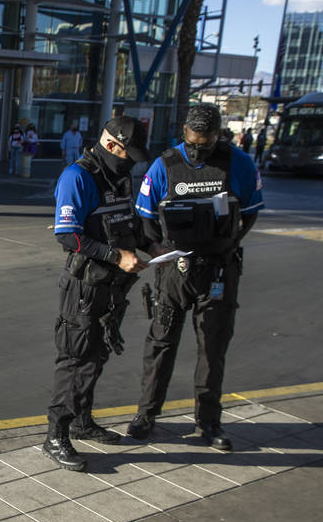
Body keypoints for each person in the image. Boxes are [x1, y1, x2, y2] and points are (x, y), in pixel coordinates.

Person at [126, 103, 264, 451]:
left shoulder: (239, 163)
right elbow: (144, 218)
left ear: (218, 135)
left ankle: (209, 422)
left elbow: (249, 214)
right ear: (183, 132)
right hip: (175, 271)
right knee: (160, 343)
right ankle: (146, 415)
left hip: (218, 269)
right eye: (192, 141)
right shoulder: (165, 165)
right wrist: (157, 249)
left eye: (205, 143)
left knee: (212, 349)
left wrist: (230, 244)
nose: (197, 149)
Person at [44, 116, 163, 471]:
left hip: (113, 287)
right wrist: (116, 256)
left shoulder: (120, 175)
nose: (132, 162)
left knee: (97, 355)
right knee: (75, 358)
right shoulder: (77, 177)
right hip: (84, 286)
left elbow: (126, 223)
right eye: (128, 154)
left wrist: (151, 244)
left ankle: (82, 421)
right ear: (111, 145)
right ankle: (55, 435)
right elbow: (68, 235)